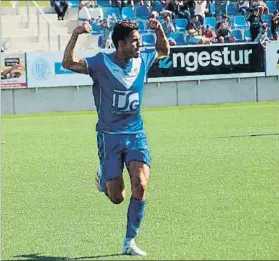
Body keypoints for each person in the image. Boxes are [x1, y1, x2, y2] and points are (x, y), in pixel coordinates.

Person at [62, 19, 170, 256]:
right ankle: (104, 178)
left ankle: (129, 241)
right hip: (109, 137)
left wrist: (159, 29)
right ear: (120, 44)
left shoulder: (142, 59)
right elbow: (68, 62)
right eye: (134, 41)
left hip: (136, 135)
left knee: (140, 185)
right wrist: (77, 34)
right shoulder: (101, 63)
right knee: (117, 198)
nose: (139, 45)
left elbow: (163, 51)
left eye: (139, 40)